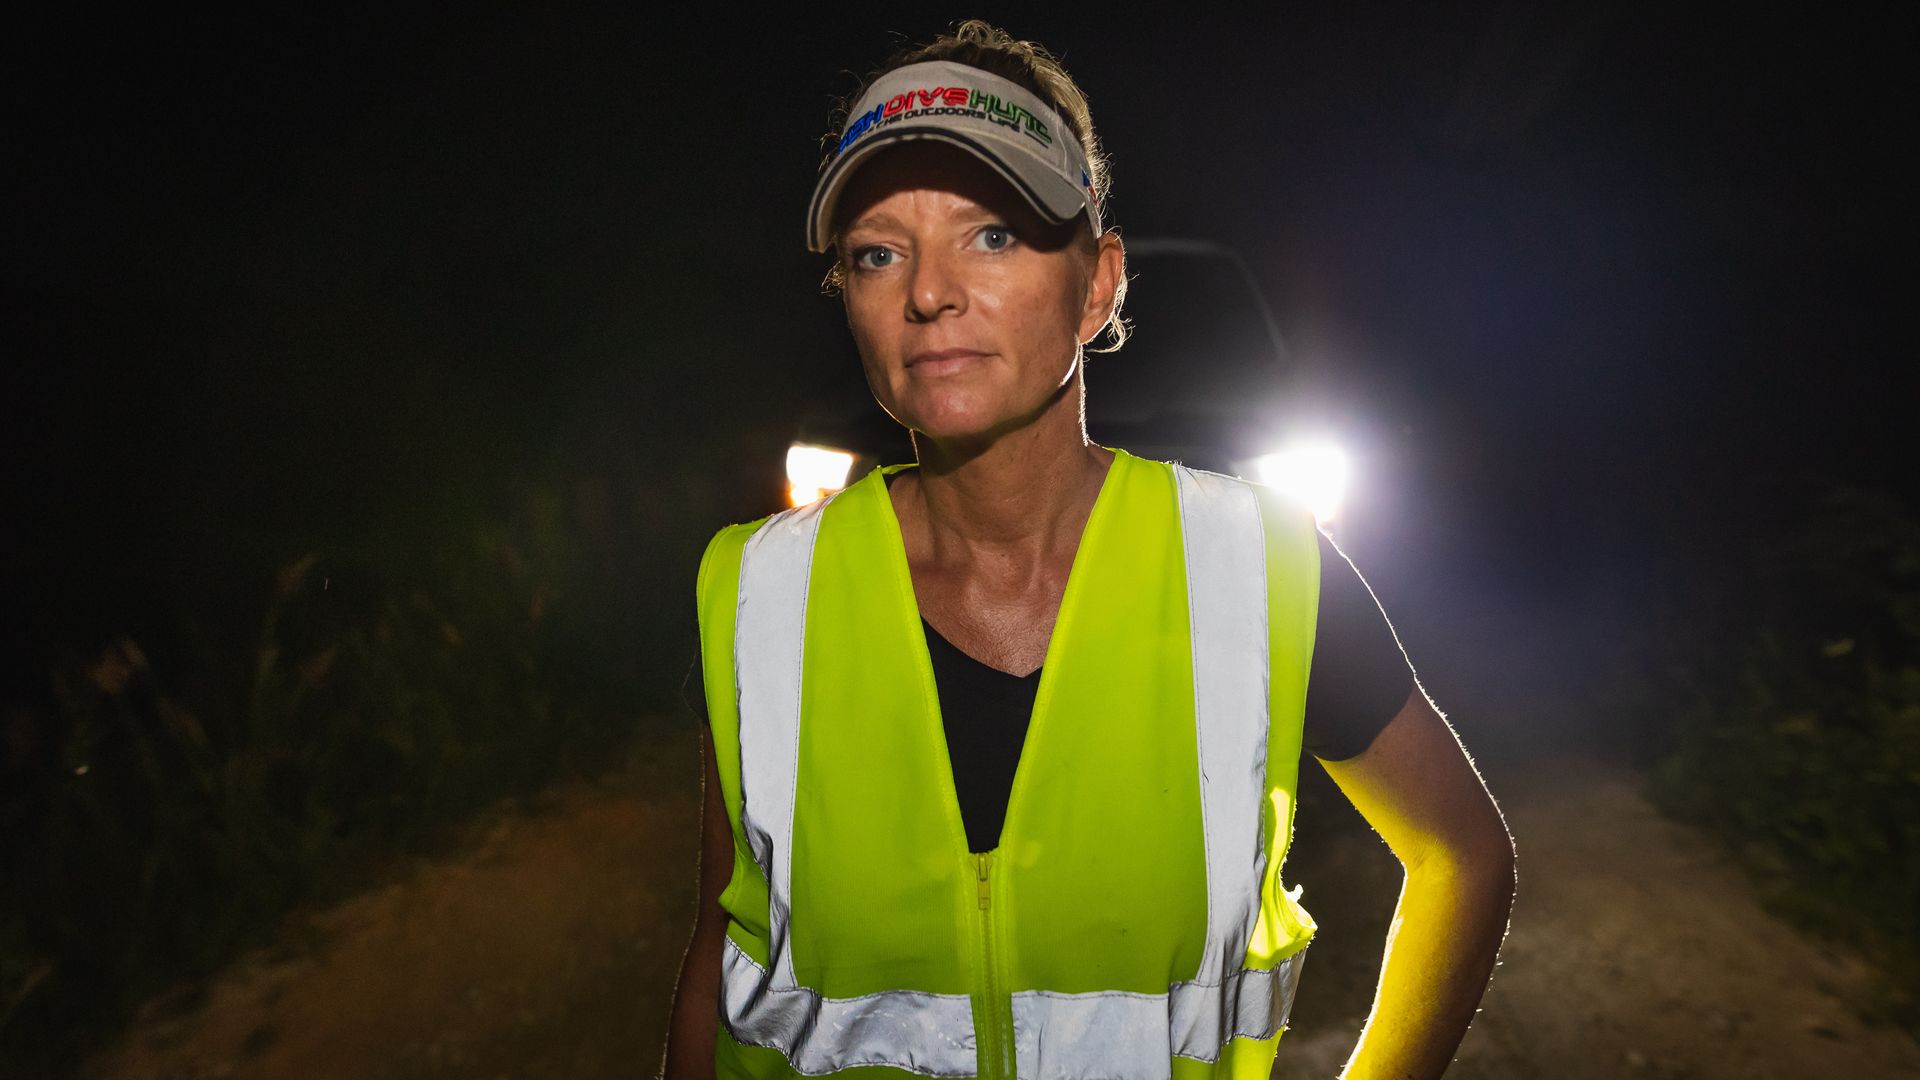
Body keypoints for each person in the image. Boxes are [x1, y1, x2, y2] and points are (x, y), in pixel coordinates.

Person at [663, 20, 1515, 1080]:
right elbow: (723, 950)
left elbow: (1462, 855)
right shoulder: (755, 592)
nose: (928, 292)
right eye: (878, 252)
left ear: (1099, 282)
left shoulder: (1259, 568)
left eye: (992, 235)